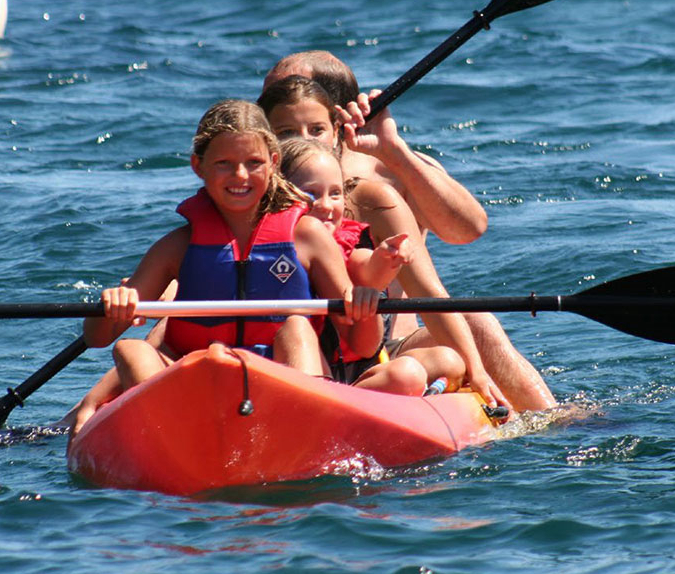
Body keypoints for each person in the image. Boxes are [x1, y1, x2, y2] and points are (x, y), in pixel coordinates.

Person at [68, 99, 384, 439]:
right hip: (199, 388)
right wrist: (115, 305)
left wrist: (365, 309)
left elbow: (363, 345)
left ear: (273, 162)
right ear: (198, 166)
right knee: (131, 349)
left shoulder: (307, 235)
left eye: (254, 163)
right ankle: (180, 435)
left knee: (296, 326)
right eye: (224, 164)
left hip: (284, 385)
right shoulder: (177, 246)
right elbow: (98, 337)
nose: (240, 176)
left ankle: (304, 428)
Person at [259, 67, 556, 413]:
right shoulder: (244, 199)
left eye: (316, 129)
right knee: (296, 329)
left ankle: (552, 420)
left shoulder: (374, 193)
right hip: (284, 351)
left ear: (337, 125)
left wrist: (394, 151)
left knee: (472, 325)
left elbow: (467, 233)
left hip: (376, 351)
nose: (305, 139)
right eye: (285, 131)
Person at [279, 136, 482, 400]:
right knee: (407, 374)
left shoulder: (350, 247)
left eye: (335, 193)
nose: (326, 205)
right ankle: (334, 402)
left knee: (447, 360)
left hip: (354, 371)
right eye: (311, 194)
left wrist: (386, 259)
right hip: (302, 368)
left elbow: (365, 267)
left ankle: (347, 401)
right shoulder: (268, 246)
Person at [263, 50, 487, 246]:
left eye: (283, 95)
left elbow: (468, 230)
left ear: (334, 115)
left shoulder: (392, 170)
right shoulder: (260, 172)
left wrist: (394, 151)